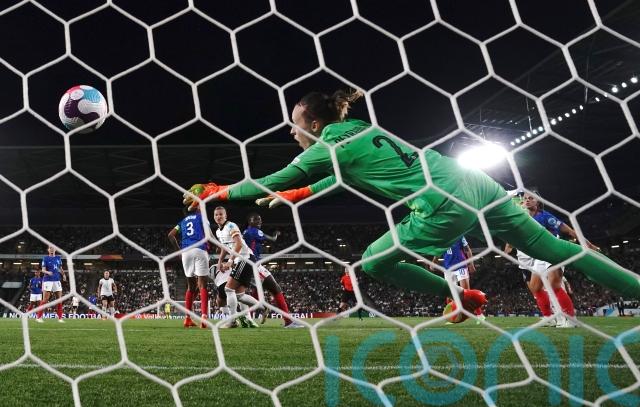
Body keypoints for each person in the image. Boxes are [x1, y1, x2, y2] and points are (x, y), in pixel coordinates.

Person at [187, 89, 640, 322]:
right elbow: (342, 176)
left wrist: (217, 191)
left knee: (373, 261)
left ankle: (462, 298)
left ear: (316, 124)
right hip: (475, 182)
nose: (292, 131)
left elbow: (273, 179)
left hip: (443, 203)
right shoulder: (361, 129)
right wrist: (300, 195)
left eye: (295, 124)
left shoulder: (325, 145)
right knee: (561, 251)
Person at [505, 192, 596, 328]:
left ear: (538, 201)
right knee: (536, 288)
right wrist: (509, 245)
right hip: (539, 256)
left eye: (531, 198)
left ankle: (571, 319)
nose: (527, 200)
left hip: (552, 251)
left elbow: (568, 230)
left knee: (554, 287)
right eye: (525, 198)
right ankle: (549, 317)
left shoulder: (545, 216)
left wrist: (588, 244)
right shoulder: (522, 217)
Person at [243, 213, 301, 327]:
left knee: (256, 293)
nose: (259, 221)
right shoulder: (255, 231)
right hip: (253, 265)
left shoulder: (245, 232)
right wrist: (275, 234)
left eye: (260, 219)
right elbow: (273, 239)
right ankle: (288, 322)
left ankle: (247, 318)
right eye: (256, 219)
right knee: (275, 288)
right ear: (250, 221)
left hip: (249, 264)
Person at [213, 206, 265, 329]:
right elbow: (224, 247)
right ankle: (263, 307)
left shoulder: (231, 226)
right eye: (216, 215)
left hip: (244, 258)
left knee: (228, 289)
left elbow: (239, 244)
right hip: (242, 260)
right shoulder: (218, 231)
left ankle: (232, 322)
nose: (219, 216)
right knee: (239, 295)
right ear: (214, 217)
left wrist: (230, 261)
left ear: (226, 216)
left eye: (221, 214)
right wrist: (220, 261)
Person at [168, 207, 210, 329]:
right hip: (200, 249)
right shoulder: (201, 217)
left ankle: (187, 319)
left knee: (191, 287)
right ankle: (204, 317)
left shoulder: (182, 222)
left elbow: (170, 235)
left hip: (186, 252)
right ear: (196, 209)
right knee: (202, 285)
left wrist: (179, 252)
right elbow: (208, 234)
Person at [433, 236, 485, 322]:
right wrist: (433, 262)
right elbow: (438, 252)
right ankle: (452, 318)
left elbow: (467, 250)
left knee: (466, 293)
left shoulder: (459, 236)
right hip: (448, 269)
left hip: (461, 266)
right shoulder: (441, 237)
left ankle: (480, 315)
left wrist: (471, 264)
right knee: (450, 294)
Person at [36, 246, 67, 323]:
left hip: (57, 280)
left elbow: (60, 268)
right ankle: (39, 317)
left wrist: (64, 275)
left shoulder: (58, 258)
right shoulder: (45, 258)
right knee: (45, 299)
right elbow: (43, 270)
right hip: (48, 280)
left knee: (59, 300)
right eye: (50, 248)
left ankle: (60, 318)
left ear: (55, 250)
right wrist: (48, 272)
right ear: (48, 250)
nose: (52, 249)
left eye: (53, 248)